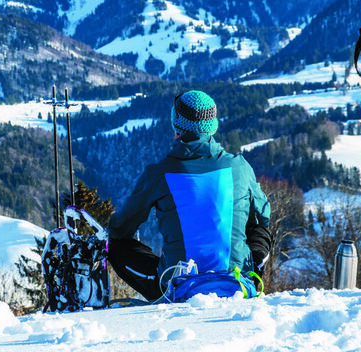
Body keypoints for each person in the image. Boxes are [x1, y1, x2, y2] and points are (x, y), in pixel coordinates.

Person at [108, 90, 272, 300]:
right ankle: (249, 271)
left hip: (176, 285)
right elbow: (263, 216)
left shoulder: (158, 174)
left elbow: (120, 229)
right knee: (258, 226)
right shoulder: (239, 166)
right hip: (238, 279)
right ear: (212, 125)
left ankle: (171, 279)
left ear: (177, 125)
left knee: (113, 244)